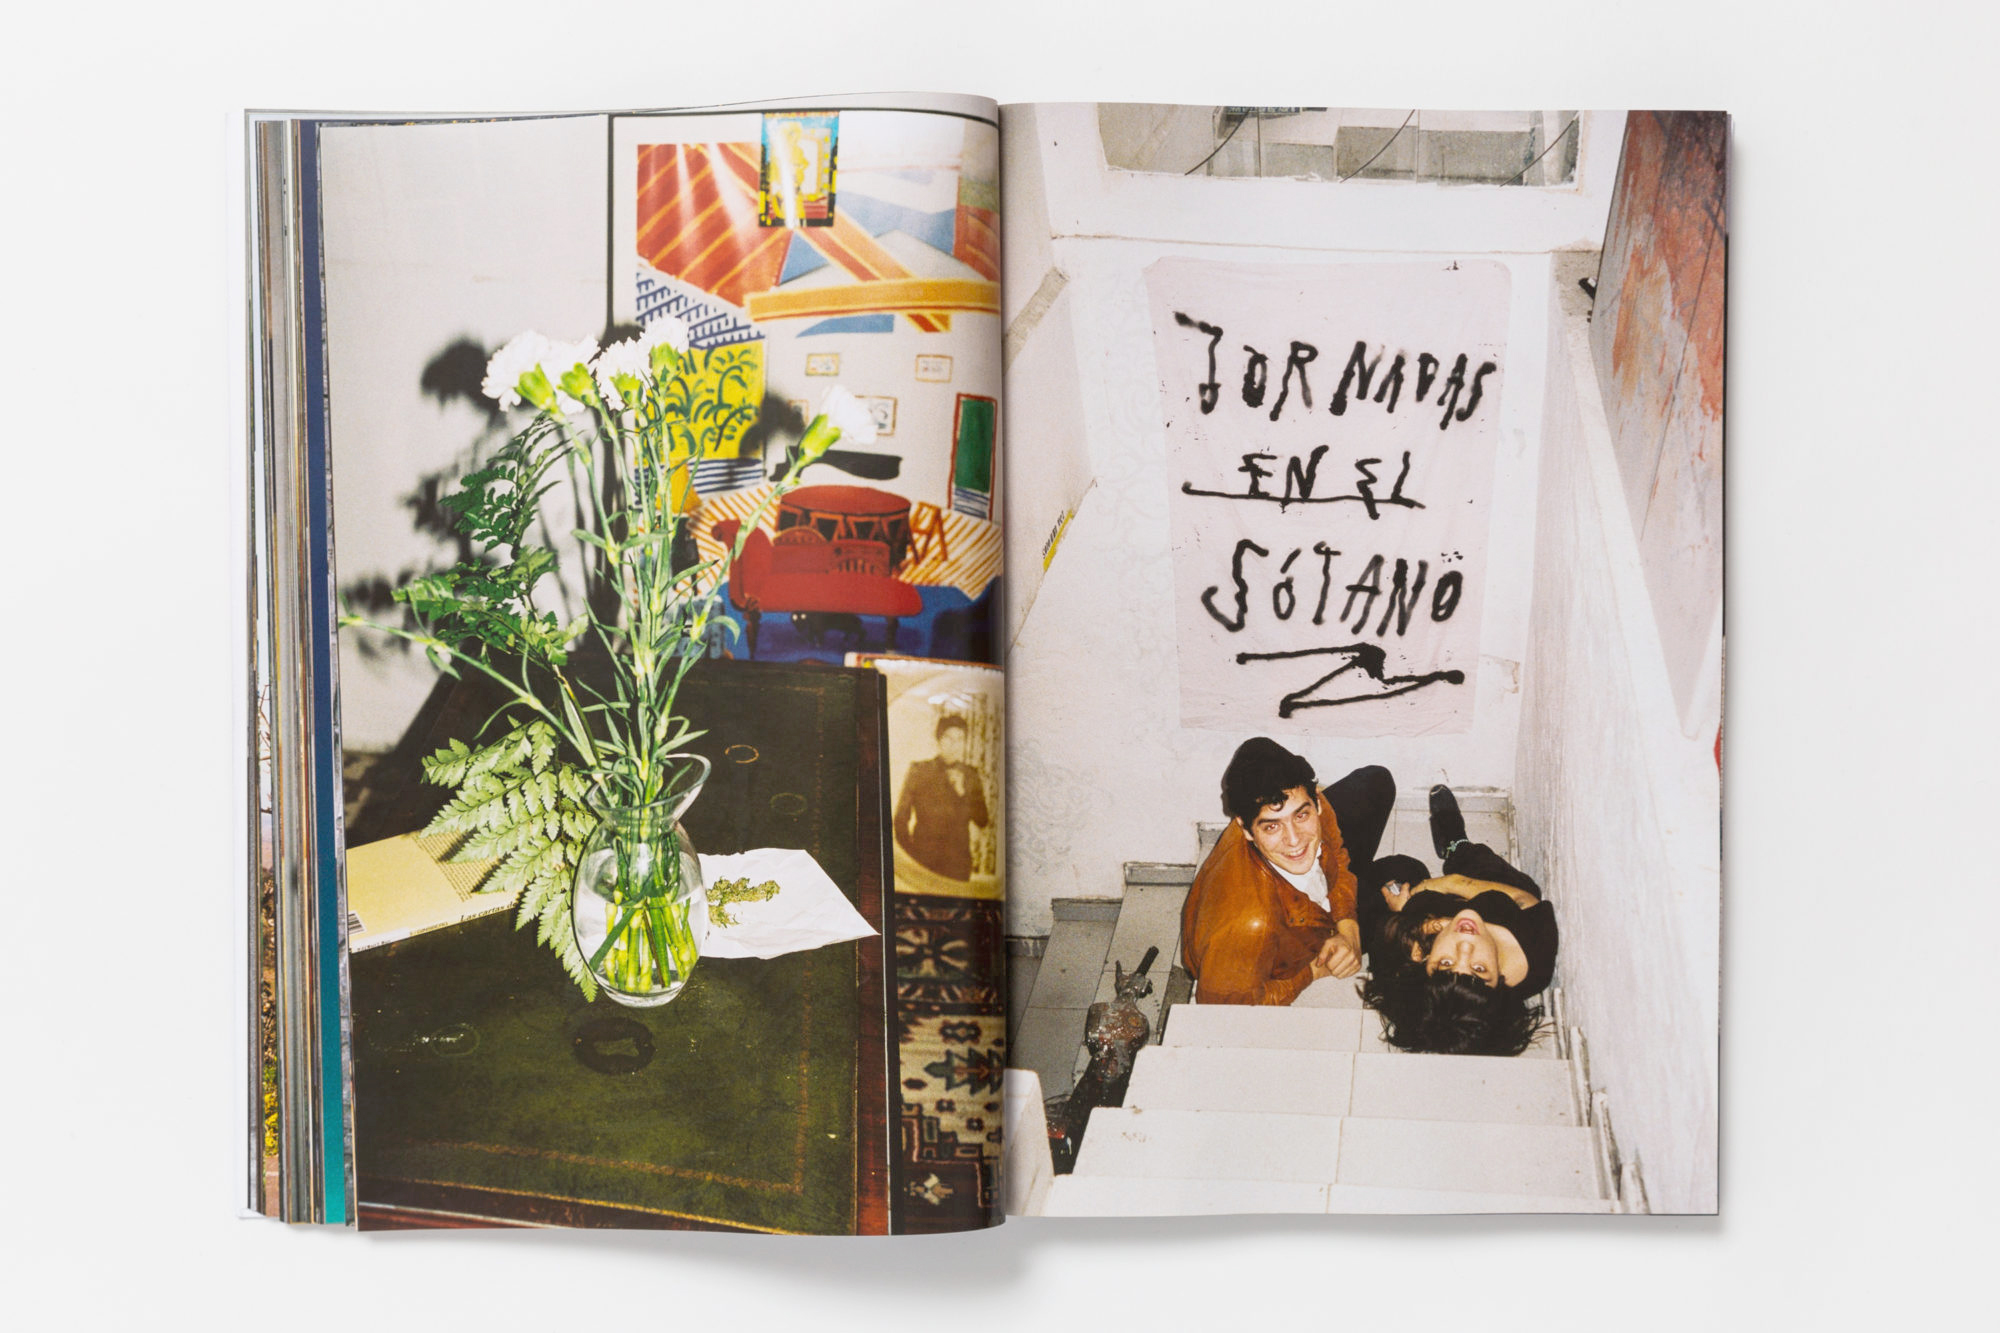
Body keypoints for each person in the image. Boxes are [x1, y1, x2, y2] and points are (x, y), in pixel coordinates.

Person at [1178, 738, 1394, 1005]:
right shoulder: (1249, 926)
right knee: (1404, 875)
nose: (1294, 840)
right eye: (1271, 827)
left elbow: (1337, 854)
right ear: (1245, 830)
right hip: (1275, 943)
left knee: (1375, 783)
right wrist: (1313, 971)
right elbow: (1225, 1007)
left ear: (1315, 802)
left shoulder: (1311, 806)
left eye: (1301, 816)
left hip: (1313, 905)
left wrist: (1349, 929)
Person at [1357, 785, 1557, 1056]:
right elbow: (1525, 900)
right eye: (1479, 968)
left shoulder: (1413, 953)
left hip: (1426, 914)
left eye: (1446, 963)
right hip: (1494, 899)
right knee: (1494, 870)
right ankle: (1457, 847)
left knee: (1403, 870)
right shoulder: (1535, 955)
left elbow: (1396, 947)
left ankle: (1453, 848)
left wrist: (1403, 915)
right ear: (1501, 978)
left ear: (1423, 962)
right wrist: (1455, 882)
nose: (1465, 944)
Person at [894, 714, 990, 881]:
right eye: (949, 738)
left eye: (960, 739)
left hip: (958, 864)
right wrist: (910, 854)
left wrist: (963, 793)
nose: (955, 745)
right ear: (939, 740)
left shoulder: (971, 775)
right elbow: (900, 818)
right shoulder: (919, 770)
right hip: (922, 861)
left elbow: (982, 820)